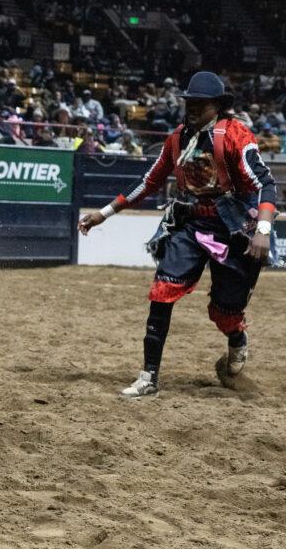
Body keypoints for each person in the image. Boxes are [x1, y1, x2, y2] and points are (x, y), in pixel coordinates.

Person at [79, 72, 276, 398]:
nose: (193, 107)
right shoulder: (178, 139)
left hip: (234, 231)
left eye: (200, 102)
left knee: (224, 312)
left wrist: (264, 231)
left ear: (217, 105)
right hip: (192, 224)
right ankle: (149, 376)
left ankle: (237, 338)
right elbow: (148, 182)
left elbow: (265, 184)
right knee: (162, 290)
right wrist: (103, 214)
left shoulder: (236, 136)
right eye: (190, 102)